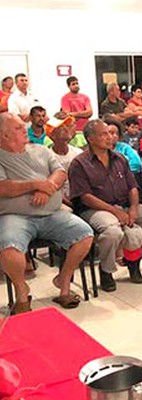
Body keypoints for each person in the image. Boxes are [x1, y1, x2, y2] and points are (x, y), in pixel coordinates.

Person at [0, 113, 93, 314]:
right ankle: (21, 291)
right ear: (4, 136)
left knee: (84, 234)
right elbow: (3, 188)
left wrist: (46, 188)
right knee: (8, 248)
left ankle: (64, 281)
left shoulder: (41, 150)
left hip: (52, 213)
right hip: (15, 216)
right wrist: (36, 184)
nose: (24, 129)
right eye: (17, 128)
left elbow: (60, 173)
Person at [69, 119, 142, 292]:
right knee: (113, 232)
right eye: (103, 134)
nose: (109, 137)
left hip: (124, 204)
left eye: (110, 133)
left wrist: (134, 208)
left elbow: (132, 187)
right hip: (95, 209)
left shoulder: (119, 158)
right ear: (91, 139)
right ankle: (106, 270)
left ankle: (134, 259)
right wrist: (115, 211)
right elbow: (85, 197)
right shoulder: (80, 163)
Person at [47, 116, 82, 207]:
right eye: (61, 128)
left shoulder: (78, 153)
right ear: (52, 135)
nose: (66, 129)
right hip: (58, 201)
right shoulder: (48, 157)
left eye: (67, 126)